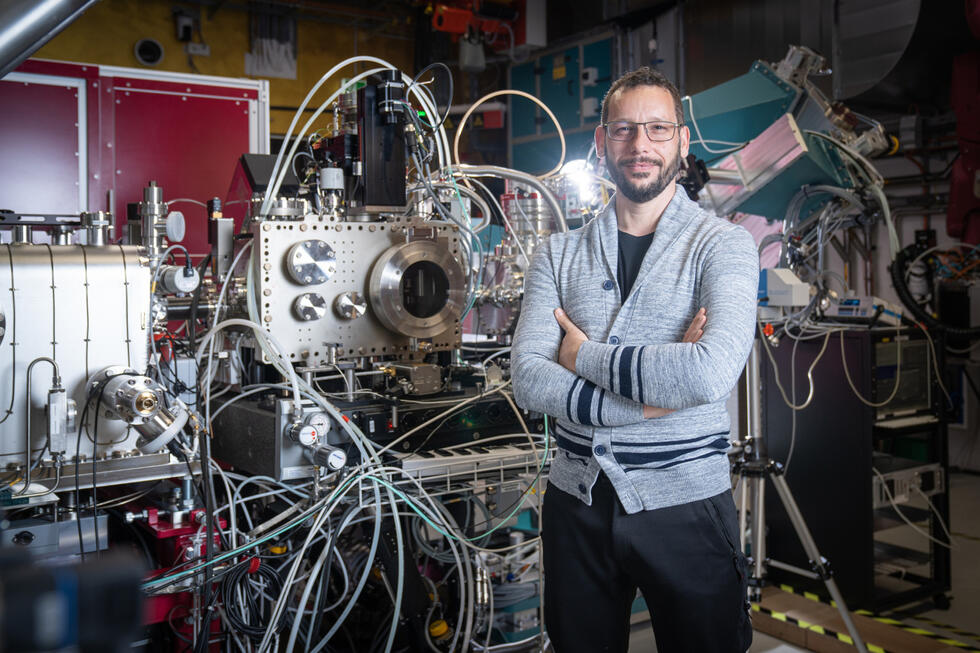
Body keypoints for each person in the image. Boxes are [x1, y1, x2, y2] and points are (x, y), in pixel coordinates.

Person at [511, 67, 759, 653]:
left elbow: (708, 373)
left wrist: (582, 354)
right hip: (577, 504)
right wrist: (644, 407)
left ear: (681, 143)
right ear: (601, 144)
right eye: (623, 130)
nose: (640, 145)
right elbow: (528, 377)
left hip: (688, 504)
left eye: (656, 129)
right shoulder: (559, 252)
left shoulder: (722, 246)